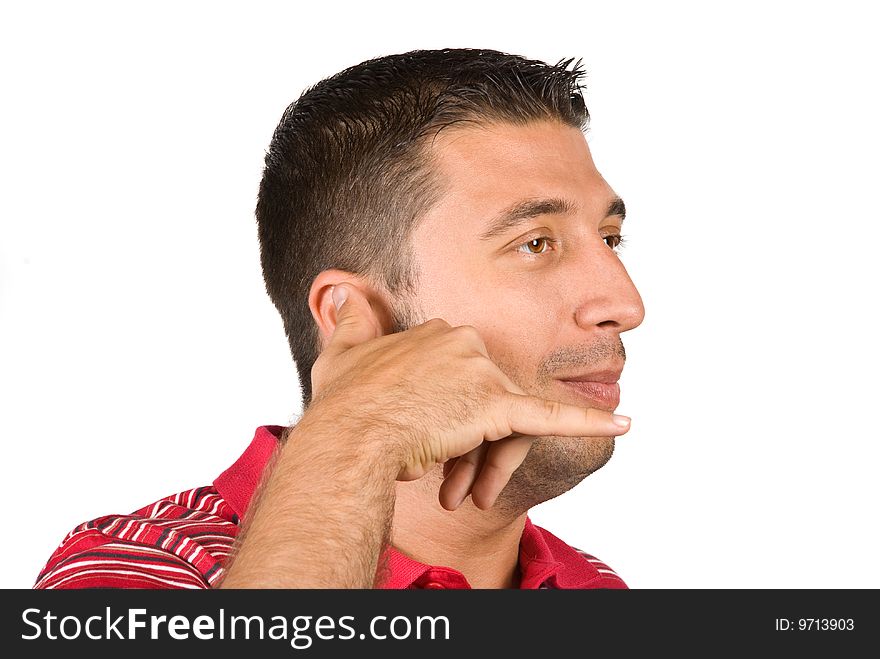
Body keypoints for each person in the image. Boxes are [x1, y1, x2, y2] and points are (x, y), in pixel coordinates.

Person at [34, 48, 644, 590]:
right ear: (357, 316)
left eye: (609, 240)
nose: (625, 305)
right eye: (535, 243)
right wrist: (357, 429)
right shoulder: (132, 569)